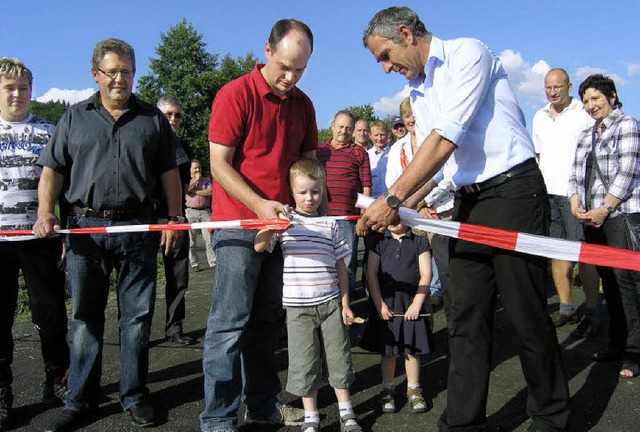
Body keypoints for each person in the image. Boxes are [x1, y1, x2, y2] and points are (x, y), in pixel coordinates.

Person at [359, 7, 570, 431]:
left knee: (527, 314)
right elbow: (437, 166)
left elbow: (445, 138)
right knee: (465, 318)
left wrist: (392, 197)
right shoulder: (418, 92)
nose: (385, 69)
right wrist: (395, 207)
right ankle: (462, 423)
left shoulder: (468, 54)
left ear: (405, 33)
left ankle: (550, 416)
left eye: (384, 55)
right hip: (468, 203)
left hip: (513, 192)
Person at [34, 38, 183, 431]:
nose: (121, 79)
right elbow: (52, 170)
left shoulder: (152, 119)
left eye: (128, 71)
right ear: (95, 74)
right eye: (113, 71)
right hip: (85, 229)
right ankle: (81, 399)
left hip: (138, 229)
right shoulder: (73, 118)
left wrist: (174, 218)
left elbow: (171, 172)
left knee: (136, 319)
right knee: (85, 318)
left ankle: (134, 396)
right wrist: (45, 211)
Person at [200, 19, 317, 432]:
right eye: (285, 66)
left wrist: (311, 205)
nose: (290, 77)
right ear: (267, 50)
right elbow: (219, 165)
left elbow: (308, 164)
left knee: (266, 322)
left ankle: (263, 405)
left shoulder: (303, 104)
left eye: (300, 70)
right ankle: (217, 417)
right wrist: (260, 206)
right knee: (229, 324)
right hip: (237, 226)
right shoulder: (236, 94)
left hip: (283, 228)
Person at [254, 159, 361, 432]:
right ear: (292, 192)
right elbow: (259, 247)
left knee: (339, 357)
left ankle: (346, 412)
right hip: (298, 308)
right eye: (302, 192)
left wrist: (345, 302)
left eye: (315, 191)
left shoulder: (331, 224)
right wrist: (270, 227)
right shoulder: (287, 221)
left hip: (331, 303)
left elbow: (342, 266)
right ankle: (311, 417)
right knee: (304, 361)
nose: (309, 198)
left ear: (323, 190)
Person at [0, 57, 70, 430]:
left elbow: (67, 186)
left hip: (39, 237)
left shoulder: (49, 131)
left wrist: (65, 233)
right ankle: (2, 392)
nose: (17, 94)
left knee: (51, 314)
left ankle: (57, 379)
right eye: (9, 88)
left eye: (23, 88)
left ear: (32, 90)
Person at [568, 74, 640, 379]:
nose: (590, 105)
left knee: (627, 283)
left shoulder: (628, 125)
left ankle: (635, 352)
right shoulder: (586, 134)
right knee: (607, 283)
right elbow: (574, 173)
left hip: (620, 215)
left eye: (596, 98)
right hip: (592, 218)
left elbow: (628, 170)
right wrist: (575, 203)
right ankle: (616, 343)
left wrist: (604, 208)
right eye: (585, 101)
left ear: (611, 97)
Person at [532, 68, 601, 336]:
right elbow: (538, 155)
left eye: (557, 87)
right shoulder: (539, 116)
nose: (552, 92)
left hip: (577, 195)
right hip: (549, 194)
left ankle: (593, 310)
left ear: (569, 87)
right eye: (548, 88)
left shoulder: (583, 113)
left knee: (584, 254)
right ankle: (567, 307)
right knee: (557, 252)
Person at [386, 97, 455, 311]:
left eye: (414, 115)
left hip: (442, 211)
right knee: (417, 264)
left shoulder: (436, 142)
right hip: (412, 214)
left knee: (446, 265)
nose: (411, 119)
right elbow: (392, 181)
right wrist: (415, 205)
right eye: (407, 116)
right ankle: (421, 311)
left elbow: (448, 176)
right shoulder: (399, 148)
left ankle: (452, 306)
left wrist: (425, 200)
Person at [363, 222, 432, 415]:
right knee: (389, 350)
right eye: (390, 216)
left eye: (399, 215)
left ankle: (414, 388)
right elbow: (371, 274)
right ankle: (388, 388)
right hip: (387, 304)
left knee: (412, 350)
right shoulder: (378, 241)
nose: (394, 219)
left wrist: (417, 303)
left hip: (411, 304)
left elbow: (426, 274)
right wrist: (379, 305)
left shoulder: (420, 240)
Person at [157, 95, 197, 346]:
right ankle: (136, 333)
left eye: (177, 115)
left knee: (178, 276)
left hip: (177, 217)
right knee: (143, 280)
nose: (173, 119)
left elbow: (185, 185)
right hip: (149, 217)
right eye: (168, 114)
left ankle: (174, 327)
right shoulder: (145, 142)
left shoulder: (184, 147)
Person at [317, 110, 372, 294]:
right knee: (323, 263)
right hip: (321, 217)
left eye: (349, 128)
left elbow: (366, 186)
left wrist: (363, 217)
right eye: (340, 127)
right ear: (332, 126)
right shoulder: (319, 151)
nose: (344, 131)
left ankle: (346, 308)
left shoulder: (360, 153)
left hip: (348, 219)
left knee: (347, 263)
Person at [185, 159, 216, 270]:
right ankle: (194, 263)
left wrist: (195, 191)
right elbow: (186, 190)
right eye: (195, 168)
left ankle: (212, 262)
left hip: (205, 212)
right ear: (190, 170)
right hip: (191, 212)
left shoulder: (206, 180)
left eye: (199, 167)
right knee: (191, 241)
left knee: (208, 239)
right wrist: (195, 181)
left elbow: (210, 192)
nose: (198, 170)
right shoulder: (187, 180)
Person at [367, 120, 390, 199]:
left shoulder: (395, 152)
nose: (379, 138)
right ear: (370, 135)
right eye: (376, 135)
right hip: (373, 201)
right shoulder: (367, 156)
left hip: (393, 200)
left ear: (388, 134)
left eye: (382, 134)